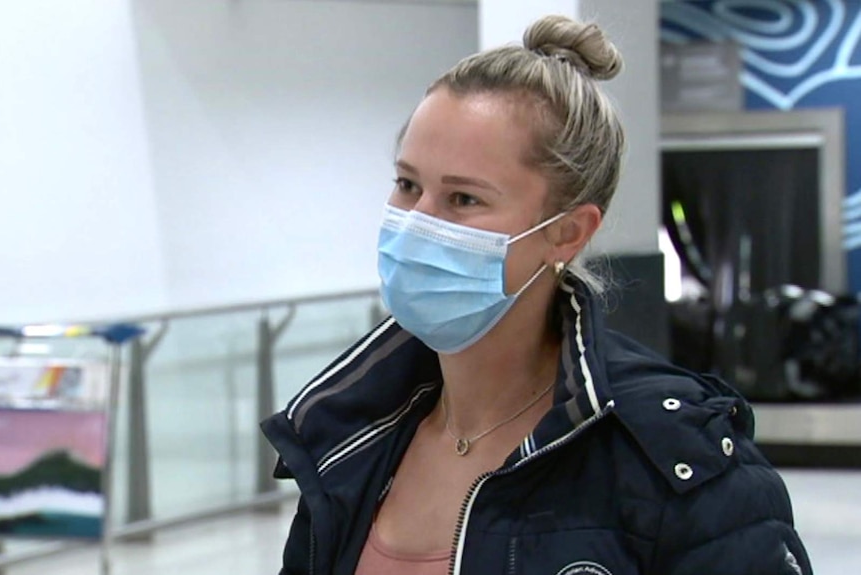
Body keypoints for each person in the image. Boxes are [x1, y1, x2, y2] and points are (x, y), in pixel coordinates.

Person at [261, 14, 812, 575]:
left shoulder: (674, 458)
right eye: (407, 185)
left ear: (567, 233)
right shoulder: (348, 434)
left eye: (464, 200)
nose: (416, 224)